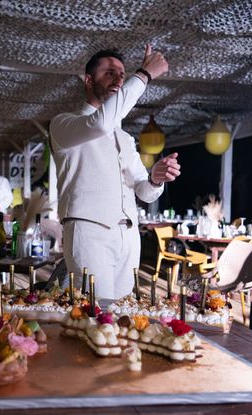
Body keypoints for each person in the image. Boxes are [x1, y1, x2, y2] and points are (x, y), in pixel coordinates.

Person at [50, 45, 181, 301]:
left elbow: (144, 190)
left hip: (129, 238)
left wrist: (156, 178)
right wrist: (143, 75)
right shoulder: (63, 123)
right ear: (88, 80)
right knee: (97, 313)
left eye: (122, 74)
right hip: (89, 233)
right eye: (109, 73)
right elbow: (100, 123)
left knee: (120, 314)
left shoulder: (125, 138)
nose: (119, 78)